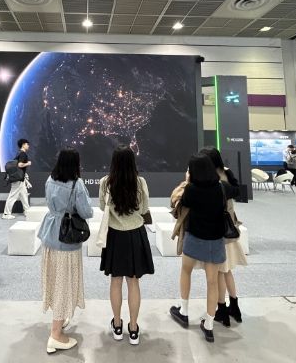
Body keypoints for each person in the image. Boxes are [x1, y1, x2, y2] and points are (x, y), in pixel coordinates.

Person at [169, 153, 239, 343]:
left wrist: (186, 181)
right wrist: (229, 175)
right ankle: (208, 324)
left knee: (186, 271)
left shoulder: (191, 189)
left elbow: (180, 203)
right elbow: (236, 190)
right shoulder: (222, 187)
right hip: (215, 241)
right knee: (212, 282)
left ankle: (184, 311)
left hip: (194, 239)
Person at [37, 147, 93, 354]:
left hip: (50, 233)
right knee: (63, 284)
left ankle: (59, 321)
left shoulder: (50, 180)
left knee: (54, 280)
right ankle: (55, 335)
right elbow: (86, 211)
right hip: (66, 239)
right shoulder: (77, 184)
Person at [99, 145, 154, 346]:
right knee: (133, 282)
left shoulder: (106, 182)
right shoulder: (140, 182)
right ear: (132, 162)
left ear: (113, 162)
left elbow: (102, 207)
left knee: (115, 281)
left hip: (114, 237)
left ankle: (117, 325)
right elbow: (144, 208)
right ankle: (133, 328)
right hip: (135, 235)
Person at [201, 147, 246, 327]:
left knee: (219, 272)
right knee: (227, 271)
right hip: (229, 227)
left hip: (217, 231)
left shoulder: (211, 179)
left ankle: (222, 310)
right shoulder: (227, 173)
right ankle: (235, 307)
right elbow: (237, 191)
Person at [2, 138, 32, 219]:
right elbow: (20, 165)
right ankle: (6, 214)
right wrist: (28, 163)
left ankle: (27, 211)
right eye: (27, 144)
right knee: (13, 196)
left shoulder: (18, 153)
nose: (28, 146)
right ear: (23, 145)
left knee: (24, 195)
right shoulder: (23, 154)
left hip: (19, 178)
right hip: (18, 179)